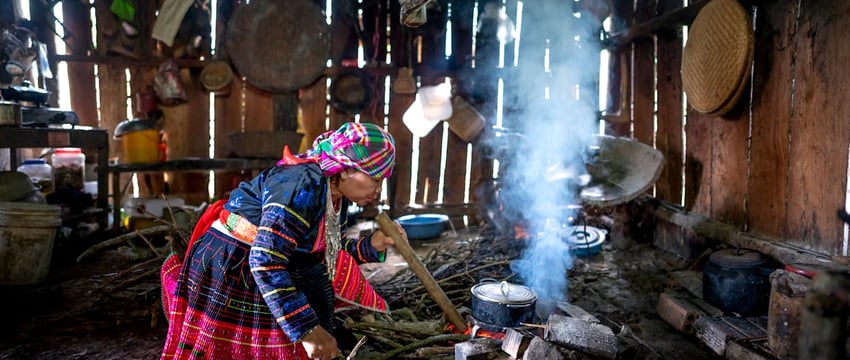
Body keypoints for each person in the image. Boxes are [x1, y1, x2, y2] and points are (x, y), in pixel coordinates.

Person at [160, 122, 407, 360]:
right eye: (375, 179)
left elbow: (325, 249)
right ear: (346, 169)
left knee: (317, 314)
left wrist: (371, 245)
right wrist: (307, 330)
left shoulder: (335, 193)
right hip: (236, 264)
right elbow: (265, 260)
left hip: (279, 260)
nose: (378, 190)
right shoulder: (302, 185)